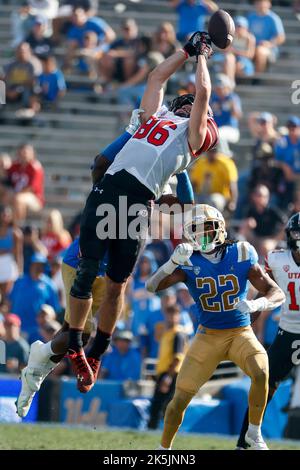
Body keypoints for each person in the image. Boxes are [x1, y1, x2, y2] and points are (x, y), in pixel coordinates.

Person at [65, 31, 218, 394]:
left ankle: (97, 350)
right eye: (186, 104)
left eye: (195, 108)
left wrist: (204, 58)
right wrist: (185, 50)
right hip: (111, 189)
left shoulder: (192, 138)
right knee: (87, 271)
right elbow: (155, 78)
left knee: (118, 284)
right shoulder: (155, 118)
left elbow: (205, 95)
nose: (189, 106)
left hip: (140, 202)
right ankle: (74, 344)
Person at [15, 110, 195, 417]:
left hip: (109, 265)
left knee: (82, 329)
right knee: (79, 332)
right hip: (83, 260)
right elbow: (99, 165)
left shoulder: (159, 174)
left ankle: (38, 364)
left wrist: (183, 165)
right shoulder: (135, 156)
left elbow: (182, 209)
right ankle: (37, 367)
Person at [146, 204, 285, 450]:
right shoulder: (188, 260)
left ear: (219, 229)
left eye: (207, 229)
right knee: (180, 399)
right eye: (196, 231)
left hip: (240, 332)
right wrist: (170, 263)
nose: (202, 236)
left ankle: (253, 433)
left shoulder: (240, 252)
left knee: (262, 371)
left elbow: (276, 293)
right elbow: (151, 286)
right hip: (207, 336)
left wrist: (256, 305)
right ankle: (163, 449)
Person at [236, 212, 300, 449]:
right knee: (264, 385)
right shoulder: (276, 259)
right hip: (288, 331)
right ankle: (244, 441)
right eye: (297, 232)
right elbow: (265, 292)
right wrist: (250, 320)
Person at [148, 304, 187, 429]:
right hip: (163, 373)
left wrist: (168, 377)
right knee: (158, 405)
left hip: (171, 374)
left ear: (179, 316)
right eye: (169, 314)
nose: (171, 317)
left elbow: (177, 357)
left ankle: (161, 433)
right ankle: (155, 432)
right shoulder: (167, 332)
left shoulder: (178, 334)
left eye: (174, 314)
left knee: (162, 405)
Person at [248, 0, 285, 73]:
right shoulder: (250, 17)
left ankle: (257, 78)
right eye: (259, 2)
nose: (261, 4)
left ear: (269, 4)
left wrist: (269, 43)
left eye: (263, 2)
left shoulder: (273, 18)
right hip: (251, 47)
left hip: (269, 49)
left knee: (260, 51)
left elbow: (281, 37)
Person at [0, 205, 23, 299]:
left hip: (8, 266)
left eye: (8, 215)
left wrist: (20, 270)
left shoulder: (15, 233)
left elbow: (18, 254)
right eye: (3, 214)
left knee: (6, 296)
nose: (5, 216)